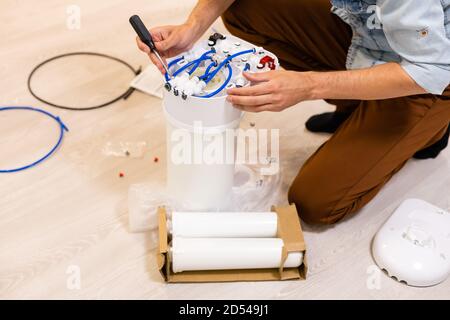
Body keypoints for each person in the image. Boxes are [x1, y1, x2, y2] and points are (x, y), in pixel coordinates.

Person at [136, 0, 450, 225]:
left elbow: (430, 68)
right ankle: (358, 106)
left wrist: (310, 86)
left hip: (430, 74)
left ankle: (428, 130)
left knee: (315, 203)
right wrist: (193, 27)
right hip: (371, 29)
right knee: (244, 9)